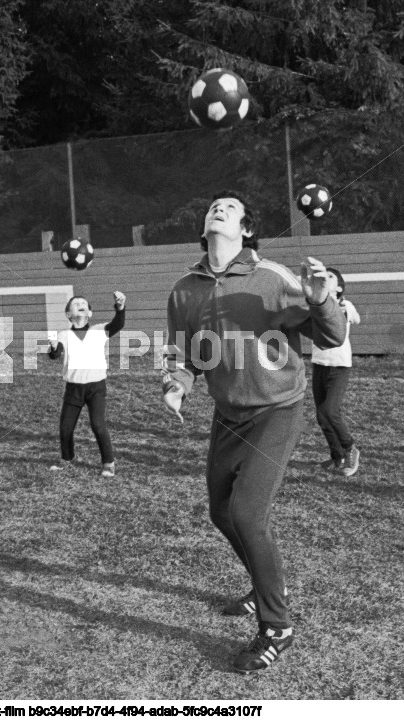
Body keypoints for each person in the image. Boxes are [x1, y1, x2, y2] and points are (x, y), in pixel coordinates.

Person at [162, 190, 346, 674]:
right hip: (228, 414)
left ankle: (277, 626)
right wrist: (177, 385)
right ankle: (265, 586)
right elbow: (185, 355)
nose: (218, 208)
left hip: (277, 411)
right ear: (204, 228)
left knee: (246, 513)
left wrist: (321, 298)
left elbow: (333, 337)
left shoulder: (272, 277)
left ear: (246, 229)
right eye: (213, 206)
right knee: (221, 512)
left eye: (231, 207)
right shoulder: (184, 288)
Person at [47, 292, 126, 477]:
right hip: (73, 388)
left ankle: (108, 463)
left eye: (83, 303)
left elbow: (118, 324)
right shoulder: (63, 335)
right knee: (65, 428)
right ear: (68, 314)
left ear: (89, 313)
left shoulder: (99, 330)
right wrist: (52, 346)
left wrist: (120, 307)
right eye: (75, 304)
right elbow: (55, 354)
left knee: (98, 425)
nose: (80, 304)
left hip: (96, 388)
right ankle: (67, 459)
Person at [310, 267, 362, 477]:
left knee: (330, 412)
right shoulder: (314, 303)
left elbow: (356, 320)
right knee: (321, 417)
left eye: (331, 276)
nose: (325, 277)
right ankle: (336, 457)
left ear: (339, 287)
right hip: (318, 363)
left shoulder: (344, 305)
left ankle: (350, 449)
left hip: (339, 366)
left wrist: (346, 311)